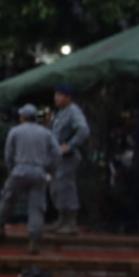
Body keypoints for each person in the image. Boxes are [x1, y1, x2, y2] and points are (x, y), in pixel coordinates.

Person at [0, 104, 61, 254]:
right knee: (37, 207)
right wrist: (49, 169)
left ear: (22, 117)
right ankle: (34, 240)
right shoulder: (46, 133)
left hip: (19, 170)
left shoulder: (15, 131)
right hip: (39, 172)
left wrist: (11, 169)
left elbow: (8, 154)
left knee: (8, 199)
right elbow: (57, 153)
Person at [50, 84, 90, 236]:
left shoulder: (73, 111)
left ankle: (71, 222)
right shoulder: (60, 113)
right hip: (57, 156)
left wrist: (71, 145)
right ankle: (61, 219)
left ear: (68, 97)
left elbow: (83, 130)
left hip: (68, 156)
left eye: (59, 95)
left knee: (66, 187)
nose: (56, 98)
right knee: (56, 188)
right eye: (56, 94)